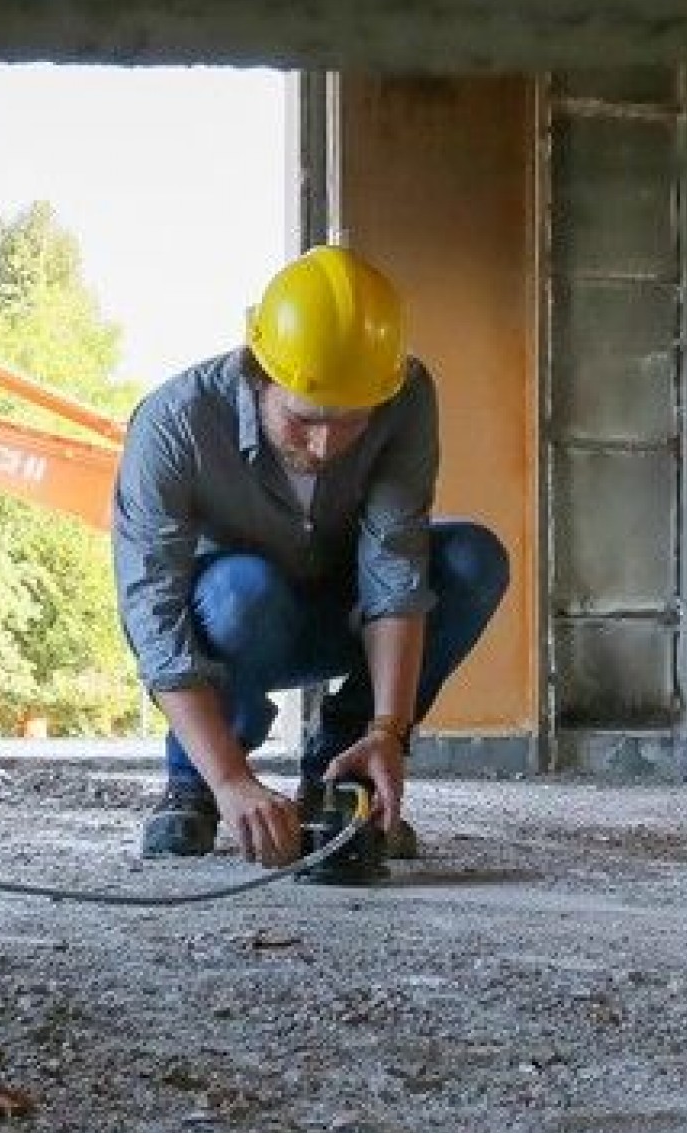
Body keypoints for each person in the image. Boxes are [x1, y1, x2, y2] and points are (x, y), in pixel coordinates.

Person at [111, 244, 509, 864]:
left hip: (341, 612)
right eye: (304, 420)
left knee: (473, 560)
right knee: (242, 592)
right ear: (259, 371)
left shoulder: (405, 395)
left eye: (351, 423)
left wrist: (388, 731)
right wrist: (231, 780)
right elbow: (153, 615)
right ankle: (195, 782)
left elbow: (395, 566)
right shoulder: (175, 423)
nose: (326, 445)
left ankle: (344, 772)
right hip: (240, 623)